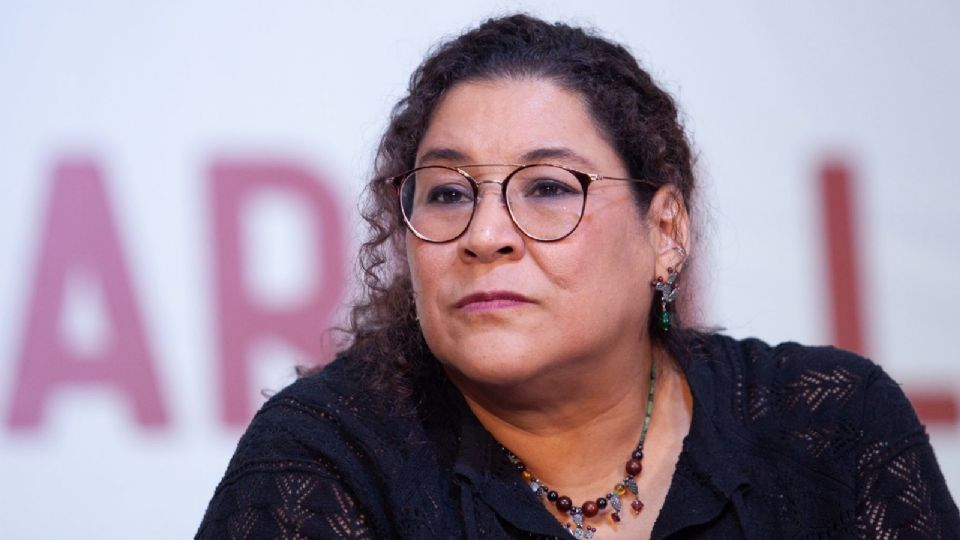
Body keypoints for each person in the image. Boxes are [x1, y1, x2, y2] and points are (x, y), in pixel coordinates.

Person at [196, 14, 959, 540]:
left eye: (548, 188)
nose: (485, 236)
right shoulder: (326, 461)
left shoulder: (831, 429)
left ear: (665, 233)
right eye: (448, 194)